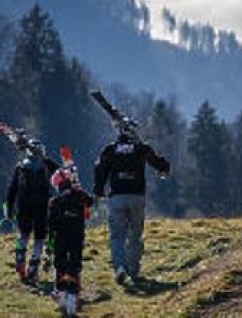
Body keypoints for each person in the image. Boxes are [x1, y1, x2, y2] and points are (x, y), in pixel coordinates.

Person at [93, 119, 170, 284]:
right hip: (137, 197)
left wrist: (98, 191)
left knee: (117, 236)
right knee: (135, 235)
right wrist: (164, 167)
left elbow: (100, 170)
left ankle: (120, 267)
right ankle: (133, 270)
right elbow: (159, 164)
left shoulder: (110, 150)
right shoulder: (142, 149)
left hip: (116, 198)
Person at [5, 139, 59, 282]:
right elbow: (62, 176)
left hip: (23, 207)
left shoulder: (21, 166)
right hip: (42, 206)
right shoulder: (47, 164)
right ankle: (33, 267)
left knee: (23, 235)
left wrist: (9, 209)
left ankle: (19, 258)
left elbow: (12, 189)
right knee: (39, 238)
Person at [48, 165, 93, 307]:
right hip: (77, 236)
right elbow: (90, 202)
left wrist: (49, 244)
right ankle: (73, 293)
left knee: (60, 264)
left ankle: (60, 291)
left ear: (59, 185)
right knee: (75, 263)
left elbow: (51, 224)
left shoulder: (55, 202)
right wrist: (79, 190)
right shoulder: (80, 196)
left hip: (60, 238)